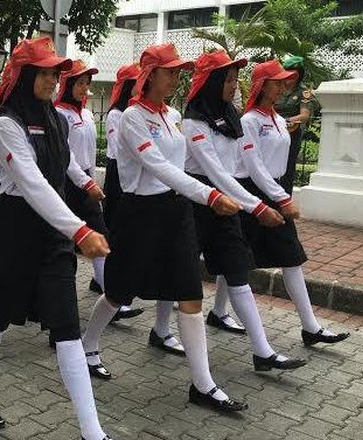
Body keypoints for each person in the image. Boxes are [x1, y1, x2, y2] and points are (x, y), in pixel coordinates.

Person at [81, 43, 248, 412]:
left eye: (177, 72)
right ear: (149, 75)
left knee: (190, 294)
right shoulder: (132, 118)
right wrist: (210, 195)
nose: (175, 78)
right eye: (169, 71)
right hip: (140, 215)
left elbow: (181, 166)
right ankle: (87, 344)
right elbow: (158, 166)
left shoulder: (172, 115)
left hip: (177, 212)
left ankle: (203, 385)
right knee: (118, 292)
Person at [0, 37, 113, 440]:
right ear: (25, 75)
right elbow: (30, 181)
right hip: (15, 230)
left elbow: (65, 163)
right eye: (43, 73)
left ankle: (92, 431)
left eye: (54, 74)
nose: (52, 80)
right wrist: (80, 230)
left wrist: (86, 184)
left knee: (67, 327)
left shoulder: (56, 118)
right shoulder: (5, 121)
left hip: (54, 235)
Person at [183, 50, 307, 371]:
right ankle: (159, 330)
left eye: (235, 79)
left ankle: (262, 352)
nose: (233, 85)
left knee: (238, 274)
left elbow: (241, 166)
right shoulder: (193, 121)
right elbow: (215, 172)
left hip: (226, 205)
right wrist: (258, 206)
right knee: (181, 276)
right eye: (227, 80)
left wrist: (267, 200)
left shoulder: (232, 118)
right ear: (211, 82)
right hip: (197, 204)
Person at [237, 59, 349, 347]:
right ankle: (218, 311)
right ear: (262, 86)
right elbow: (254, 165)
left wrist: (281, 194)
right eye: (276, 82)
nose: (283, 86)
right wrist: (281, 198)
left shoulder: (277, 119)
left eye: (284, 81)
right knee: (237, 257)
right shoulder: (249, 121)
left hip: (275, 191)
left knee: (290, 257)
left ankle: (310, 327)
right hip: (256, 194)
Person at [53, 60, 108, 297]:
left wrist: (92, 179)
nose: (84, 88)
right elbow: (65, 156)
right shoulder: (58, 114)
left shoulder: (86, 114)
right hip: (66, 183)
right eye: (79, 83)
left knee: (100, 235)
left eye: (87, 83)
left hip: (86, 182)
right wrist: (86, 183)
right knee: (63, 242)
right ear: (67, 84)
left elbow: (91, 151)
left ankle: (107, 291)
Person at [102, 64, 146, 321]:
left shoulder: (138, 113)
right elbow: (118, 148)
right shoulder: (116, 115)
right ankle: (111, 288)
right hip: (118, 172)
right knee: (114, 230)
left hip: (132, 174)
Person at [274, 56, 317, 195]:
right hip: (271, 132)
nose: (288, 78)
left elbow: (304, 116)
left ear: (298, 76)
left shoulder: (304, 93)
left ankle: (285, 200)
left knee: (287, 170)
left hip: (291, 133)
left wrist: (282, 121)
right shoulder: (276, 89)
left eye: (293, 75)